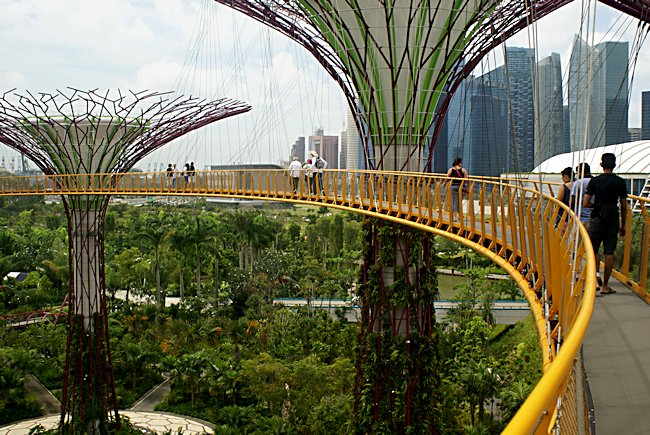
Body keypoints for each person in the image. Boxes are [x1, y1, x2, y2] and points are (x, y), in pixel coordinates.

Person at [583, 153, 628, 296]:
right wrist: (623, 225)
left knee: (593, 250)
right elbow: (624, 205)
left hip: (597, 218)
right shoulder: (620, 182)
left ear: (601, 165)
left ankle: (595, 279)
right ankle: (606, 286)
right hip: (612, 218)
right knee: (609, 252)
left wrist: (595, 206)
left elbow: (585, 202)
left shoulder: (595, 181)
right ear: (614, 165)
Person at [570, 162, 593, 228]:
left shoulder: (578, 183)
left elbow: (572, 201)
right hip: (594, 219)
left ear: (580, 172)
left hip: (580, 218)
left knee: (577, 237)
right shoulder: (595, 181)